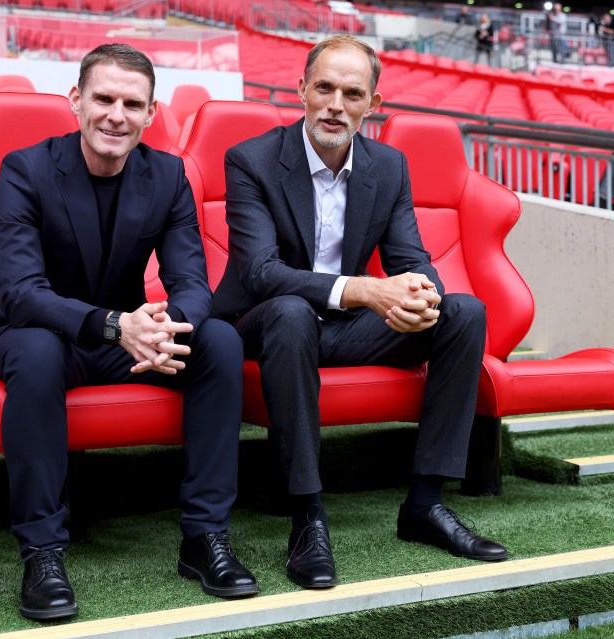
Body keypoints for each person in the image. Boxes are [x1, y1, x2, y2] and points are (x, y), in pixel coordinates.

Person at [0, 43, 258, 621]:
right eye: (103, 98)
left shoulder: (169, 175)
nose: (115, 115)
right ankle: (43, 550)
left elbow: (193, 282)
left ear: (151, 115)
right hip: (36, 331)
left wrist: (170, 326)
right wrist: (114, 324)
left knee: (219, 339)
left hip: (123, 337)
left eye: (132, 103)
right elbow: (22, 292)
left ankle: (205, 538)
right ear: (76, 101)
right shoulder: (26, 168)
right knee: (38, 350)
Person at [214, 36, 508, 590]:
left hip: (341, 328)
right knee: (291, 313)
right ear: (300, 90)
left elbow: (411, 256)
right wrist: (367, 291)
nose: (335, 104)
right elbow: (261, 272)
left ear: (373, 104)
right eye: (323, 88)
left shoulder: (389, 165)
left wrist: (422, 297)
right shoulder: (251, 160)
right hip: (262, 324)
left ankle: (425, 504)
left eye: (352, 93)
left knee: (463, 312)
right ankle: (308, 517)